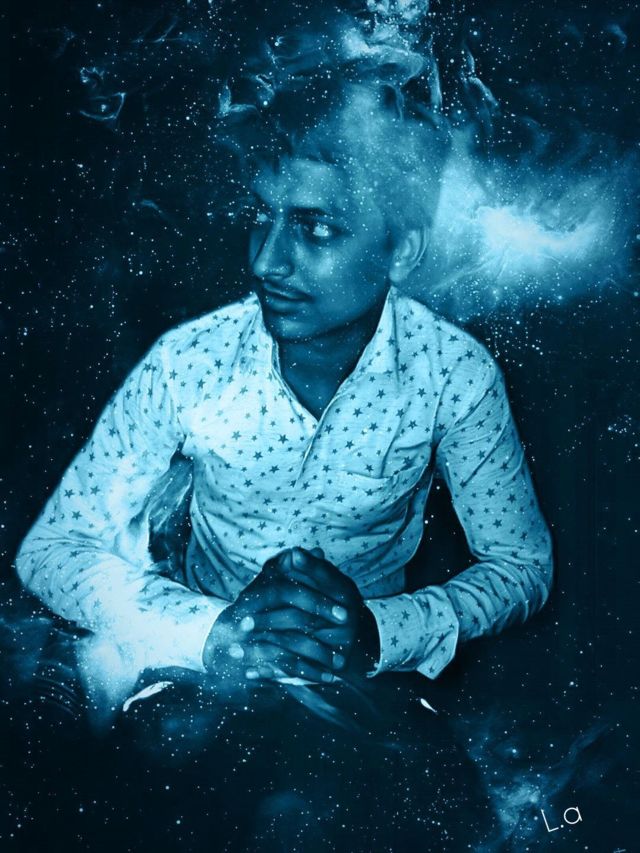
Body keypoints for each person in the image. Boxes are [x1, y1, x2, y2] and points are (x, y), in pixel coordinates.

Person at [15, 11, 553, 713]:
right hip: (196, 689)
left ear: (402, 251)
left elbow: (522, 567)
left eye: (316, 227)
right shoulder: (187, 362)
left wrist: (382, 633)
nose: (267, 261)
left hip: (368, 694)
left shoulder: (456, 375)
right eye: (261, 217)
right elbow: (52, 549)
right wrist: (211, 632)